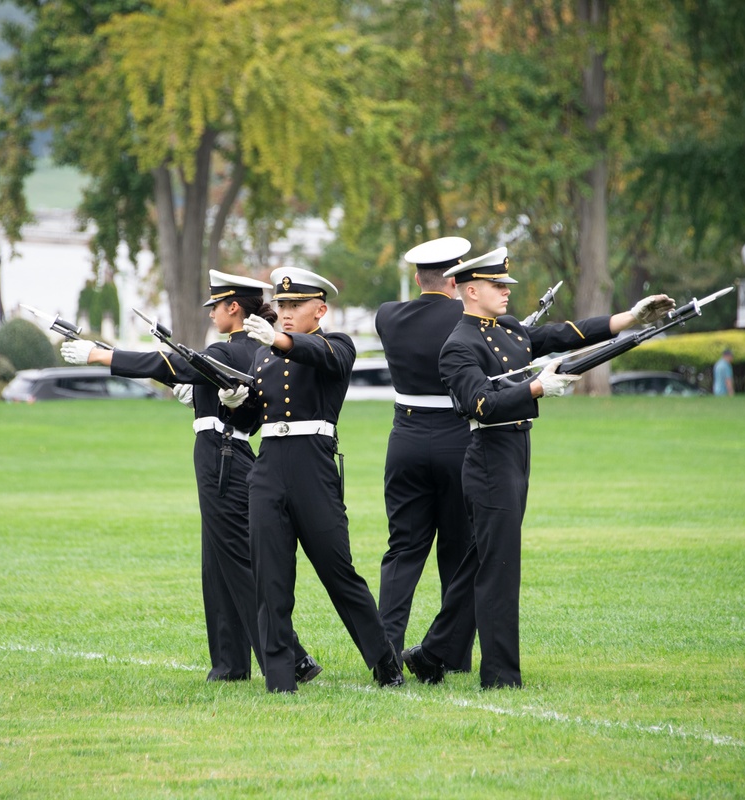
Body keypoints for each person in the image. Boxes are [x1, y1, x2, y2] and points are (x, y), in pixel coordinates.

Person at [401, 247, 675, 689]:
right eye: (497, 285)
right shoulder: (458, 345)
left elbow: (564, 334)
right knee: (500, 568)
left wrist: (630, 318)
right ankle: (501, 676)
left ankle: (434, 653)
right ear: (471, 291)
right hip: (489, 454)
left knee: (481, 561)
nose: (506, 292)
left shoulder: (507, 329)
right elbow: (480, 404)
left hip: (516, 451)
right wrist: (537, 387)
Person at [61, 270, 322, 687]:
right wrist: (201, 400)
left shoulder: (237, 349)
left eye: (216, 306)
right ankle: (229, 664)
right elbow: (203, 384)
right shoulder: (250, 351)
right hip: (225, 450)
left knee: (236, 562)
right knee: (216, 563)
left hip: (221, 457)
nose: (212, 313)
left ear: (233, 307)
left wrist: (101, 355)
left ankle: (293, 659)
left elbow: (167, 364)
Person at [228, 266, 403, 693]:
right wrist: (235, 402)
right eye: (281, 305)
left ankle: (385, 662)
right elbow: (253, 421)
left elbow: (321, 356)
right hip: (269, 467)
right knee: (270, 578)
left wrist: (281, 341)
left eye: (295, 305)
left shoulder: (336, 344)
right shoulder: (262, 354)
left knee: (338, 571)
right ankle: (280, 678)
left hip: (314, 467)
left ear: (319, 310)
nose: (285, 313)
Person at [374, 236, 476, 671]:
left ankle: (385, 652)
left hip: (407, 440)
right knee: (458, 549)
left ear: (417, 277)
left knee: (403, 550)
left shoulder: (388, 315)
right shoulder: (469, 318)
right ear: (457, 279)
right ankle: (451, 653)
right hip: (457, 439)